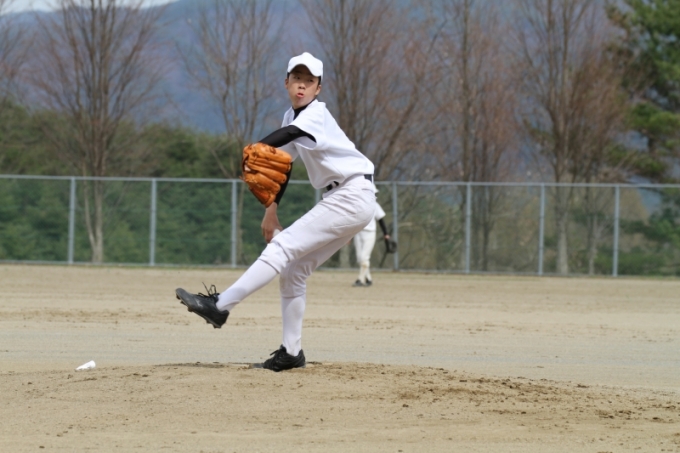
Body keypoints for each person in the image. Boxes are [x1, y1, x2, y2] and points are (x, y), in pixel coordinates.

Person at [175, 52, 376, 372]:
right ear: (286, 82)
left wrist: (258, 145)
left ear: (318, 88)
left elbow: (290, 136)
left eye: (309, 81)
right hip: (349, 197)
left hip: (351, 194)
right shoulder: (291, 117)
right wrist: (272, 210)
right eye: (297, 78)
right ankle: (291, 353)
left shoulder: (315, 114)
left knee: (283, 247)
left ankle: (220, 306)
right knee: (294, 271)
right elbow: (282, 165)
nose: (302, 85)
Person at [352, 188, 390, 287]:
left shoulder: (375, 205)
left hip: (370, 233)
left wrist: (386, 233)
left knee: (364, 257)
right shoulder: (358, 205)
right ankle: (368, 279)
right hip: (358, 232)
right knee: (360, 258)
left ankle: (360, 280)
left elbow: (381, 220)